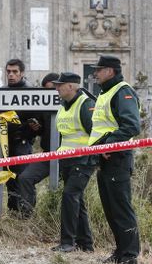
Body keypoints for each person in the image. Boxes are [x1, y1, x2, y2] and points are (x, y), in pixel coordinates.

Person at [89, 55, 141, 264]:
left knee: (121, 208)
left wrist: (108, 144)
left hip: (117, 157)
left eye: (98, 70)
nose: (95, 73)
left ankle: (130, 256)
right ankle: (121, 252)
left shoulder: (122, 91)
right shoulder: (106, 92)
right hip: (105, 157)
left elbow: (131, 126)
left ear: (110, 71)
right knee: (111, 209)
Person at [49, 72, 96, 253]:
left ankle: (67, 242)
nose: (57, 88)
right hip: (67, 160)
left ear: (71, 86)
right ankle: (86, 244)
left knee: (70, 196)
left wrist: (94, 159)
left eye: (60, 85)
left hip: (83, 160)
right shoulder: (63, 105)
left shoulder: (86, 104)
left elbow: (95, 133)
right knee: (77, 200)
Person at [17, 72, 59, 217]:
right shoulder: (43, 106)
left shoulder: (69, 105)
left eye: (54, 89)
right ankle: (27, 216)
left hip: (68, 156)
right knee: (25, 178)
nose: (51, 93)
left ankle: (57, 217)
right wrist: (35, 128)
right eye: (47, 90)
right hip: (48, 154)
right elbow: (41, 131)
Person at [3, 59, 42, 212]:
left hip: (23, 142)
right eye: (8, 72)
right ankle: (13, 211)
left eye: (15, 72)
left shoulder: (31, 92)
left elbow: (38, 121)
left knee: (23, 178)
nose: (11, 75)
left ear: (22, 73)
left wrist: (31, 128)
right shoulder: (1, 92)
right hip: (6, 142)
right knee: (8, 178)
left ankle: (26, 212)